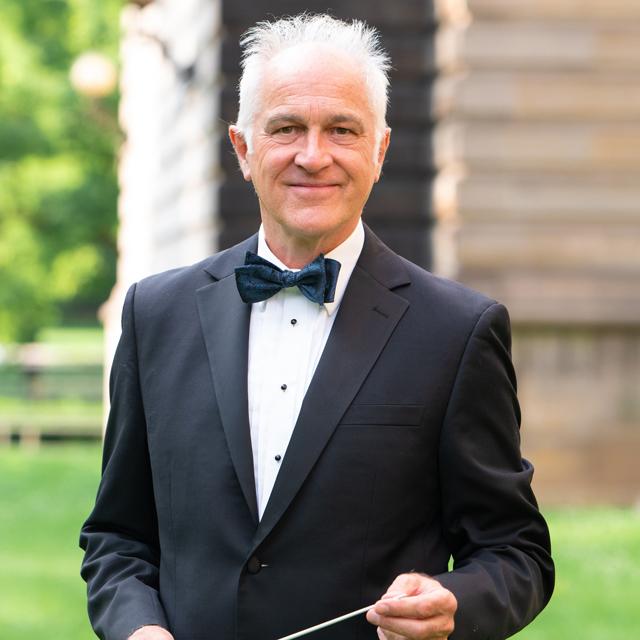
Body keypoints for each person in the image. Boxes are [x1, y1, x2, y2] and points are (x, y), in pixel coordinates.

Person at [80, 13, 554, 640]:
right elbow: (117, 537)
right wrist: (137, 630)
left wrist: (454, 603)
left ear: (379, 150)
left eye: (341, 129)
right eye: (286, 128)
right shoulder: (155, 316)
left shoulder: (459, 332)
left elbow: (517, 553)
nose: (313, 155)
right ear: (243, 149)